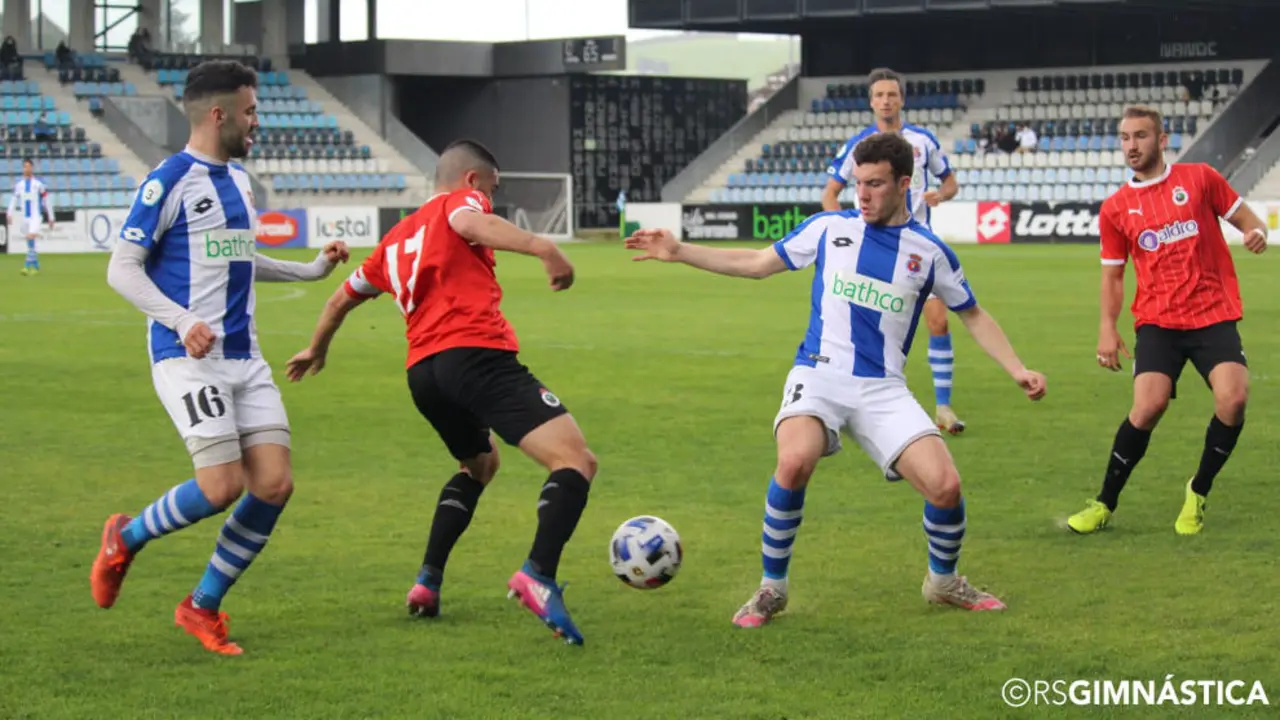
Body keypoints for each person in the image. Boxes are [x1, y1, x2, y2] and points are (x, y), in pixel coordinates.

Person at [626, 132, 1047, 627]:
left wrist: (1017, 368)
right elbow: (758, 263)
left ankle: (943, 582)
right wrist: (681, 252)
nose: (861, 195)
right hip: (819, 374)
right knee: (795, 458)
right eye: (857, 184)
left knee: (946, 486)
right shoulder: (829, 228)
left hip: (883, 389)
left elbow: (972, 314)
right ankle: (771, 589)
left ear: (905, 184)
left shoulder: (928, 252)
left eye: (874, 184)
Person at [284, 139, 598, 646]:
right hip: (475, 355)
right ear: (472, 181)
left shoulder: (396, 239)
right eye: (491, 191)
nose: (489, 201)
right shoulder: (461, 204)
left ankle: (427, 582)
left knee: (480, 464)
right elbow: (470, 225)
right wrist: (545, 246)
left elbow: (341, 299)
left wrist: (315, 349)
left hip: (425, 375)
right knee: (576, 461)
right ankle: (538, 575)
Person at [90, 60, 351, 656]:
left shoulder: (238, 182)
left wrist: (311, 268)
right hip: (186, 358)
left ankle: (200, 605)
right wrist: (182, 321)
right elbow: (120, 268)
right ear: (219, 115)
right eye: (250, 111)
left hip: (245, 357)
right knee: (220, 486)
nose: (257, 121)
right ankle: (123, 540)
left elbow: (238, 259)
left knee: (274, 484)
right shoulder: (170, 179)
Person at [1067, 105, 1267, 536]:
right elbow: (1114, 275)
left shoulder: (1199, 179)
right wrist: (1107, 327)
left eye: (1140, 136)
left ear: (1161, 139)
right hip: (1158, 320)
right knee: (1147, 407)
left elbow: (1248, 220)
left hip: (1213, 314)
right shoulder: (1117, 208)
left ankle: (1198, 490)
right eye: (1124, 138)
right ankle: (1104, 503)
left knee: (1233, 400)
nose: (1131, 146)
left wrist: (1257, 234)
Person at [822, 67, 966, 435]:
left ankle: (944, 407)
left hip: (917, 246)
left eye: (892, 94)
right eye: (879, 95)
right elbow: (830, 194)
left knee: (939, 320)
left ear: (902, 99)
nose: (886, 101)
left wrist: (940, 194)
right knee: (868, 325)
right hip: (873, 248)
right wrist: (846, 232)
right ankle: (856, 401)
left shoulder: (922, 141)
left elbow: (951, 182)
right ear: (871, 102)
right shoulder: (860, 147)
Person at [8, 158, 53, 276]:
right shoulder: (19, 185)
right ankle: (36, 266)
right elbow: (13, 200)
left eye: (28, 166)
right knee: (30, 243)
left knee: (30, 237)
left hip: (35, 217)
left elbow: (46, 200)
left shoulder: (38, 185)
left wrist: (51, 216)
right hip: (25, 217)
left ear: (32, 168)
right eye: (25, 166)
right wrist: (9, 213)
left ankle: (27, 266)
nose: (26, 169)